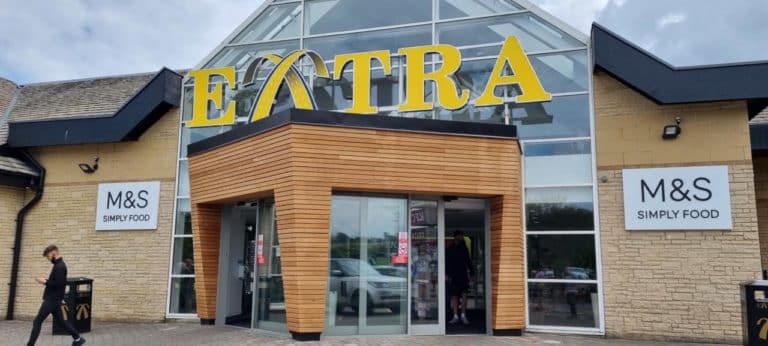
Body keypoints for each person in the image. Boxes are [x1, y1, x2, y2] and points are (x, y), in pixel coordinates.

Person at [27, 245, 86, 346]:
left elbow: (59, 284)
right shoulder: (59, 265)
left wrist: (44, 281)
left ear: (53, 253)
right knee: (62, 322)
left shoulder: (60, 266)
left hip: (52, 300)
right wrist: (47, 281)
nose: (48, 259)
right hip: (55, 299)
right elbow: (58, 282)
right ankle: (78, 338)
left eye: (48, 257)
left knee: (37, 322)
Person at [446, 231, 474, 325]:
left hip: (463, 275)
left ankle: (463, 315)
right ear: (456, 237)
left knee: (464, 294)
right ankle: (455, 316)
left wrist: (472, 273)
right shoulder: (450, 248)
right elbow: (447, 262)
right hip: (453, 275)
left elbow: (468, 261)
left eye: (462, 236)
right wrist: (447, 274)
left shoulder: (464, 248)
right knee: (454, 295)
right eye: (460, 236)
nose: (462, 237)